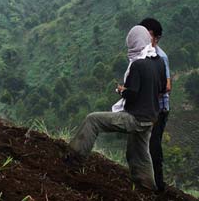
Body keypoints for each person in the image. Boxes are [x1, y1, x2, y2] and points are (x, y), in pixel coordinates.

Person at [69, 25, 167, 190]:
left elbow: (133, 93)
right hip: (150, 118)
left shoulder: (137, 65)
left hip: (135, 118)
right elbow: (162, 88)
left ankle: (73, 158)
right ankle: (148, 188)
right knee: (140, 153)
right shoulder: (157, 63)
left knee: (93, 120)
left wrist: (122, 91)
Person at [139, 18, 171, 192]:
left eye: (148, 35)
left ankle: (158, 185)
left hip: (158, 110)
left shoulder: (161, 57)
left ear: (156, 38)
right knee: (144, 144)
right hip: (148, 108)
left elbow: (166, 86)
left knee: (153, 145)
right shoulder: (144, 55)